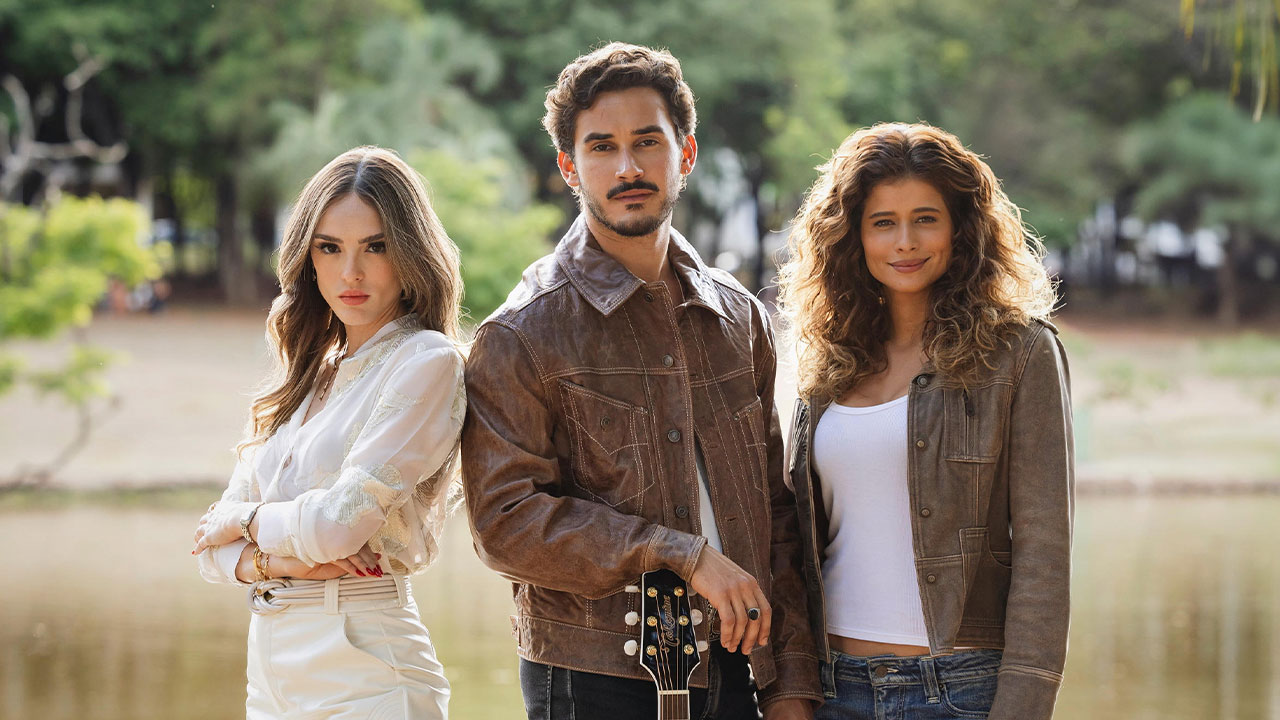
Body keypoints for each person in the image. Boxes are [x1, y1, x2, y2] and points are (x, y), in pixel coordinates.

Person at [461, 43, 822, 720]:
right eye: (602, 147)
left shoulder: (739, 318)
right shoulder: (522, 333)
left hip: (738, 667)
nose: (627, 167)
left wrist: (790, 683)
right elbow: (504, 524)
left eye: (647, 142)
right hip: (594, 676)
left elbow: (775, 513)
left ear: (685, 155)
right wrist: (680, 555)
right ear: (569, 167)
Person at [776, 122, 1072, 720]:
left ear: (961, 228)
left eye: (926, 219)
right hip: (833, 688)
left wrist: (1023, 703)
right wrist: (788, 687)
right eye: (883, 222)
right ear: (853, 236)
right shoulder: (826, 367)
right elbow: (795, 540)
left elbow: (1044, 554)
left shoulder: (1019, 354)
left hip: (960, 690)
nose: (905, 242)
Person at [191, 146, 465, 719]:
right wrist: (281, 565)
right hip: (270, 673)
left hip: (365, 666)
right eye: (330, 247)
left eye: (376, 247)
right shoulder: (310, 376)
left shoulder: (426, 361)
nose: (351, 273)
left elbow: (339, 527)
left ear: (410, 254)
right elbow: (209, 555)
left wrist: (244, 521)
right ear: (308, 259)